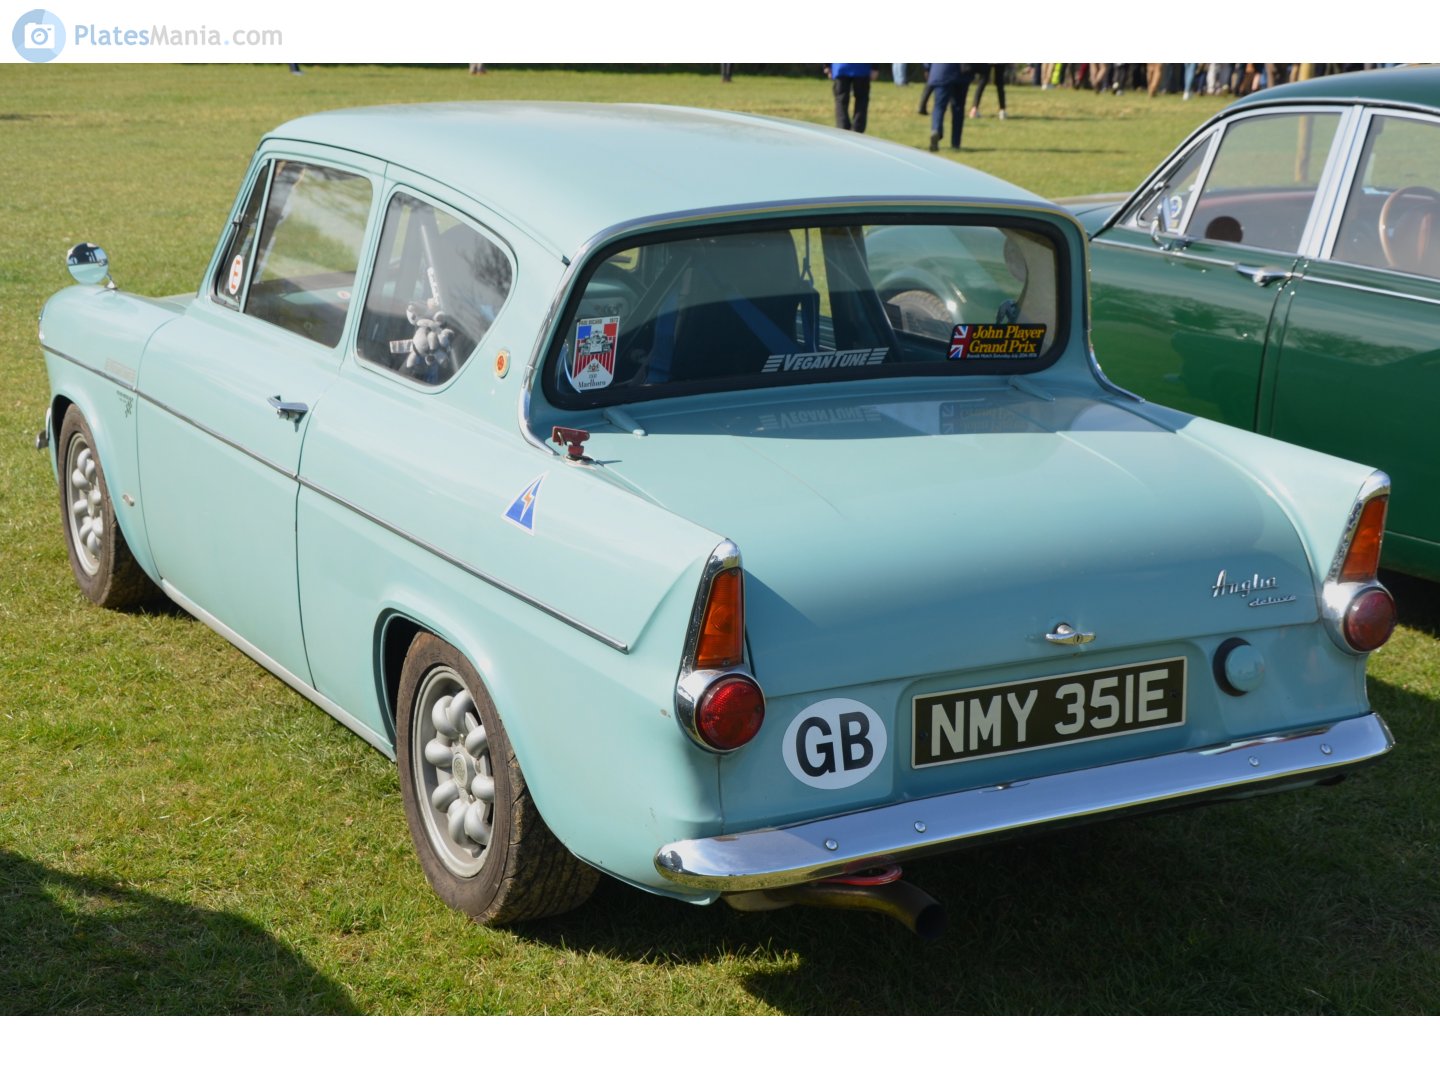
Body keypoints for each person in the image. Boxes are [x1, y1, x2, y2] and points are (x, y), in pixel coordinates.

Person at [926, 64, 973, 152]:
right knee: (958, 109)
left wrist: (927, 68)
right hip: (961, 74)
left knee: (939, 106)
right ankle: (956, 142)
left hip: (940, 72)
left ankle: (936, 129)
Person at [827, 64, 875, 132]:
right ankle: (857, 130)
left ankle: (843, 129)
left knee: (841, 100)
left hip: (841, 66)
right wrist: (875, 67)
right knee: (861, 100)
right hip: (861, 68)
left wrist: (827, 66)